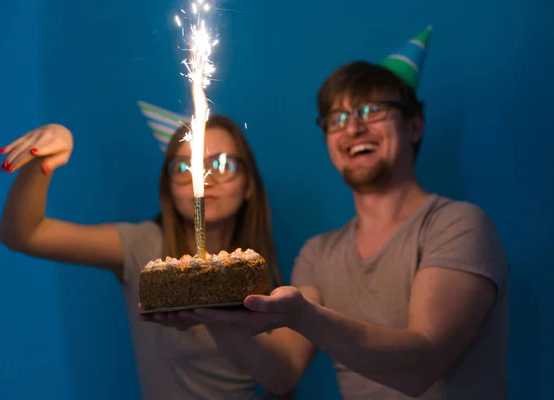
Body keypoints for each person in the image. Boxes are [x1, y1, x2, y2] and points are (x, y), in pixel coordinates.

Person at [166, 27, 510, 399]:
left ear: (414, 125)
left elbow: (419, 368)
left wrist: (304, 317)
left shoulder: (458, 225)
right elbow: (283, 373)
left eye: (372, 110)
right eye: (337, 118)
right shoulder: (319, 254)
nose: (354, 127)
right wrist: (216, 316)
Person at [0, 114, 287, 399]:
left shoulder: (257, 269)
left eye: (222, 165)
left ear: (248, 184)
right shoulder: (142, 247)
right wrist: (43, 159)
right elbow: (23, 234)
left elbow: (282, 378)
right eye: (186, 166)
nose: (204, 178)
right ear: (168, 186)